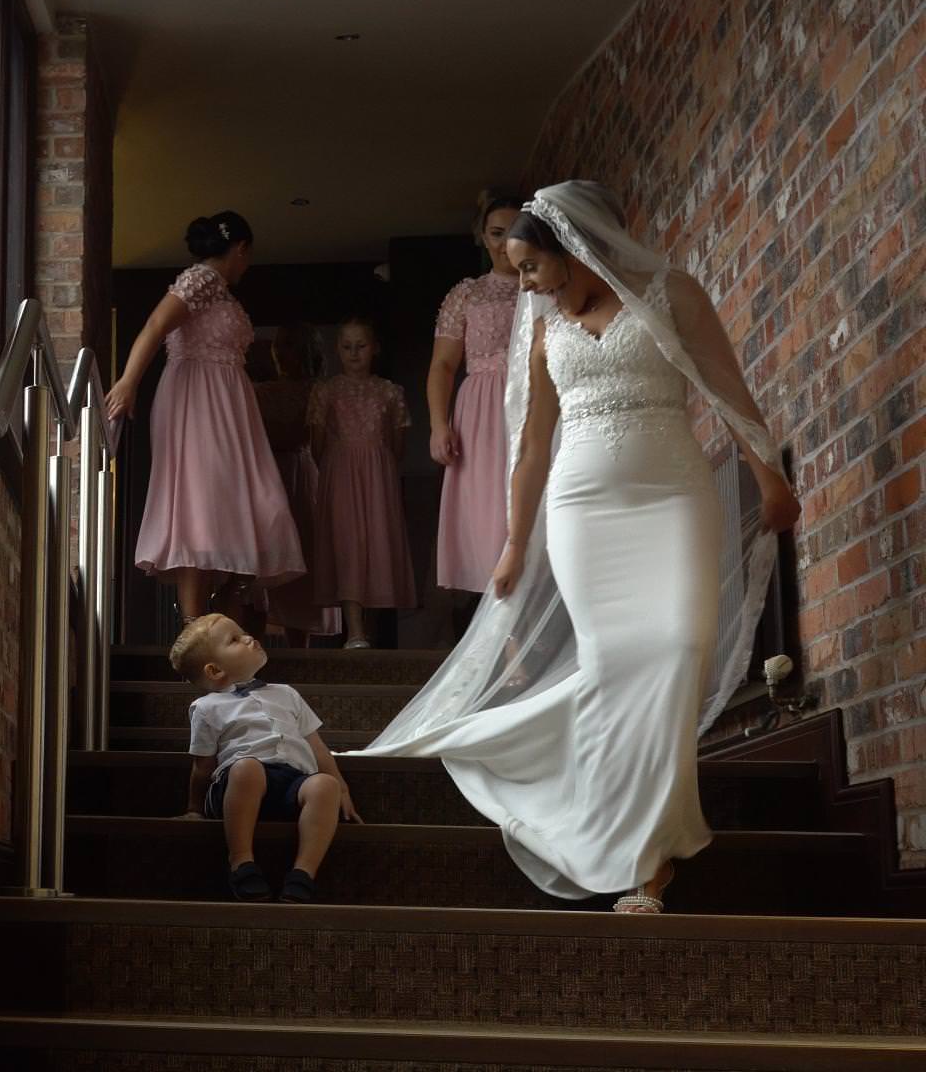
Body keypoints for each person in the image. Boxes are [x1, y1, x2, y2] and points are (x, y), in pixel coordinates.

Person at [352, 181, 800, 914]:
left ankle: (631, 823)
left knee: (680, 649)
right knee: (614, 662)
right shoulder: (543, 328)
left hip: (674, 497)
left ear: (573, 248)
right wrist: (514, 543)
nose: (520, 280)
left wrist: (768, 477)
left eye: (530, 266)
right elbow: (531, 447)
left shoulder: (670, 293)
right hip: (582, 509)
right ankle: (646, 861)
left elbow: (727, 390)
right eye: (514, 266)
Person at [106, 212, 304, 623]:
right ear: (241, 249)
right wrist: (128, 382)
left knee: (244, 506)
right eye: (247, 257)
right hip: (198, 399)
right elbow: (157, 324)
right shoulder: (203, 279)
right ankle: (195, 628)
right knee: (201, 507)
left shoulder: (221, 293)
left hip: (228, 404)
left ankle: (220, 615)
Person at [171, 613, 362, 902]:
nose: (249, 638)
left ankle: (303, 874)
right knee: (246, 767)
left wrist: (342, 786)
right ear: (215, 670)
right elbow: (203, 766)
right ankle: (241, 862)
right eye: (234, 640)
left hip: (292, 783)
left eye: (243, 632)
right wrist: (194, 808)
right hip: (239, 785)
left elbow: (316, 746)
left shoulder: (286, 694)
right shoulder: (207, 707)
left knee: (324, 785)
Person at [430, 190, 525, 597]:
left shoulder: (548, 284)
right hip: (482, 411)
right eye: (496, 233)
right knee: (491, 516)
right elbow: (443, 365)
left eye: (514, 232)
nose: (504, 243)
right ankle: (504, 643)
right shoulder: (467, 293)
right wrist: (438, 425)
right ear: (483, 238)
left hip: (534, 401)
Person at [309, 315, 418, 647]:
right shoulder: (326, 391)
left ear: (375, 349)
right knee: (347, 543)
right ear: (337, 350)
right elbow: (315, 443)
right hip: (341, 473)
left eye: (361, 346)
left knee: (376, 544)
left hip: (378, 474)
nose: (354, 353)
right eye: (347, 347)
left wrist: (377, 462)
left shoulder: (389, 392)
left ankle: (364, 630)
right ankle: (354, 629)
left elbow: (398, 444)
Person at [251, 330, 340, 643]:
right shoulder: (262, 393)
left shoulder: (318, 392)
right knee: (272, 552)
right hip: (275, 472)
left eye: (288, 349)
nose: (282, 356)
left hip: (298, 472)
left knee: (302, 552)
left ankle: (296, 644)